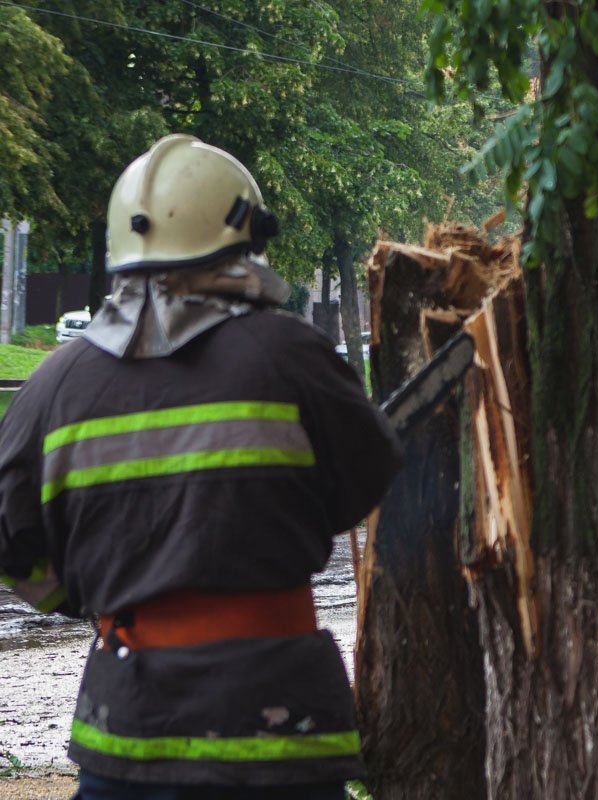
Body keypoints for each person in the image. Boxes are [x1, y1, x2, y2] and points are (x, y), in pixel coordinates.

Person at [0, 134, 399, 799]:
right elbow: (364, 483)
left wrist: (86, 599)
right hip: (279, 737)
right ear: (242, 236)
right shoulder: (291, 356)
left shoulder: (54, 384)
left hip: (126, 733)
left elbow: (9, 542)